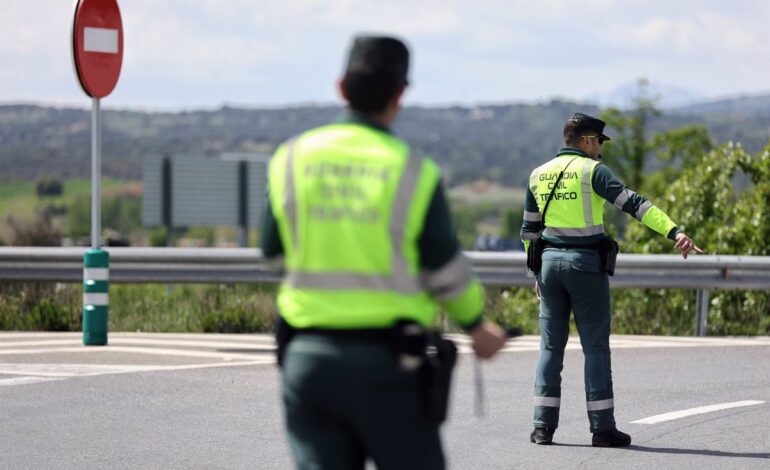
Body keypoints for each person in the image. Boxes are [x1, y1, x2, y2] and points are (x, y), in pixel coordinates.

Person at [261, 34, 508, 469]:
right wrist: (476, 327)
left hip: (308, 360)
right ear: (400, 94)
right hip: (388, 366)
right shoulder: (413, 170)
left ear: (341, 88)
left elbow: (273, 253)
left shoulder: (292, 157)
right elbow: (446, 271)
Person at [520, 113, 703, 447]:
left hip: (548, 267)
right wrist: (674, 231)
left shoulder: (538, 174)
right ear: (588, 140)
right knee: (595, 348)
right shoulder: (593, 171)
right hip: (585, 267)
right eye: (600, 143)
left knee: (549, 347)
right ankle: (602, 429)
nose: (600, 151)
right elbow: (635, 204)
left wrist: (535, 274)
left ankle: (542, 428)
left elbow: (529, 232)